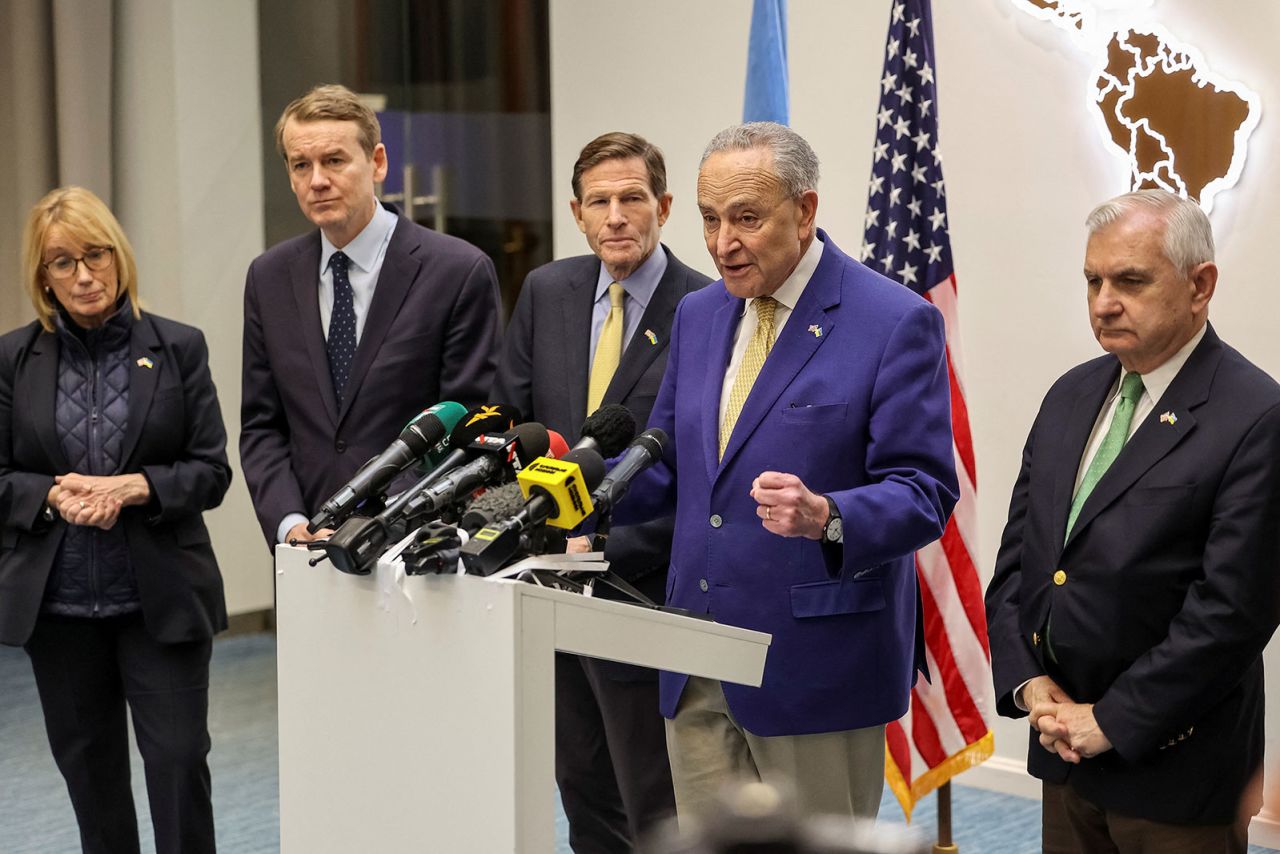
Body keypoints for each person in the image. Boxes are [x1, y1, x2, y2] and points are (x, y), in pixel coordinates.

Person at [608, 122, 958, 822]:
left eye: (746, 218)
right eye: (710, 219)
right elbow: (676, 462)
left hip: (814, 662)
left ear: (804, 210)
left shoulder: (894, 320)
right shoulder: (701, 313)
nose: (721, 243)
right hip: (696, 653)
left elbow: (925, 492)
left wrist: (828, 515)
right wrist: (582, 485)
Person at [985, 189, 1280, 852]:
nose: (1103, 302)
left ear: (1200, 285)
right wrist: (1031, 686)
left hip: (1176, 770)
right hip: (1061, 748)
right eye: (1092, 280)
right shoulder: (1070, 395)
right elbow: (1019, 567)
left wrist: (1111, 720)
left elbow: (1233, 612)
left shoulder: (1256, 415)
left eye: (1130, 281)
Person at [492, 131, 709, 850]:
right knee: (580, 785)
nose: (615, 216)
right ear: (578, 213)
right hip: (548, 584)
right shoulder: (548, 290)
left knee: (652, 796)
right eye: (599, 202)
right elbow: (516, 417)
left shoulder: (704, 309)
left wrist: (612, 538)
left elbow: (703, 463)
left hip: (640, 584)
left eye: (632, 198)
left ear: (665, 206)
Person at [0, 186, 231, 854]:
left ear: (119, 256)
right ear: (42, 275)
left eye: (95, 255)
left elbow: (211, 472)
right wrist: (50, 495)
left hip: (160, 599)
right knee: (92, 781)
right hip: (62, 610)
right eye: (62, 262)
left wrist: (136, 487)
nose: (84, 275)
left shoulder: (178, 347)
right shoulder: (13, 358)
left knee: (179, 764)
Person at [240, 83, 502, 548]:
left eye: (334, 161)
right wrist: (289, 522)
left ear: (377, 162)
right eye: (302, 165)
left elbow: (465, 427)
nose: (317, 180)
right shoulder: (269, 278)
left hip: (414, 546)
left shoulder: (457, 271)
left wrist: (382, 519)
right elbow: (263, 426)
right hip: (305, 550)